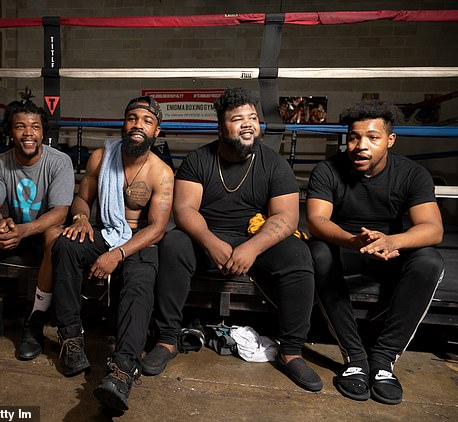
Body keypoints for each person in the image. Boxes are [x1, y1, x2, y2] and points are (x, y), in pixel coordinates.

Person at [144, 87, 323, 392]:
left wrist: (252, 248)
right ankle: (167, 339)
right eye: (238, 118)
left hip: (256, 237)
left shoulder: (274, 163)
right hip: (208, 236)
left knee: (298, 254)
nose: (248, 123)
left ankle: (291, 350)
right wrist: (210, 242)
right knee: (173, 243)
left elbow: (286, 217)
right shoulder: (199, 159)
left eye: (253, 117)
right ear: (220, 127)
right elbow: (185, 210)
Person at [306, 100, 444, 405]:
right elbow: (316, 220)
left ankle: (382, 360)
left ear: (390, 140)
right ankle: (355, 357)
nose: (361, 146)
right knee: (317, 252)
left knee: (430, 260)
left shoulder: (412, 173)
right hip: (348, 247)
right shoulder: (328, 169)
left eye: (373, 137)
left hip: (389, 249)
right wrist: (353, 241)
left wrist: (392, 241)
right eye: (354, 137)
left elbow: (433, 228)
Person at [52, 96, 174, 412]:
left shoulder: (161, 173)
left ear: (156, 131)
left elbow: (158, 228)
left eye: (146, 121)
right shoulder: (100, 157)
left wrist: (117, 255)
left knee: (140, 277)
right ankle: (72, 341)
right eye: (132, 118)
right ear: (124, 123)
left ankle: (122, 370)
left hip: (139, 240)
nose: (138, 125)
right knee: (65, 244)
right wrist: (80, 218)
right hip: (105, 231)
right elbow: (82, 199)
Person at [0, 99, 74, 359]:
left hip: (39, 232)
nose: (28, 133)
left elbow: (60, 212)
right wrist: (0, 222)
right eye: (20, 126)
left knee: (56, 235)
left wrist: (25, 229)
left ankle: (35, 322)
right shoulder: (0, 163)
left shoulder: (59, 162)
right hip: (12, 231)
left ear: (43, 132)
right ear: (10, 132)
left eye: (34, 126)